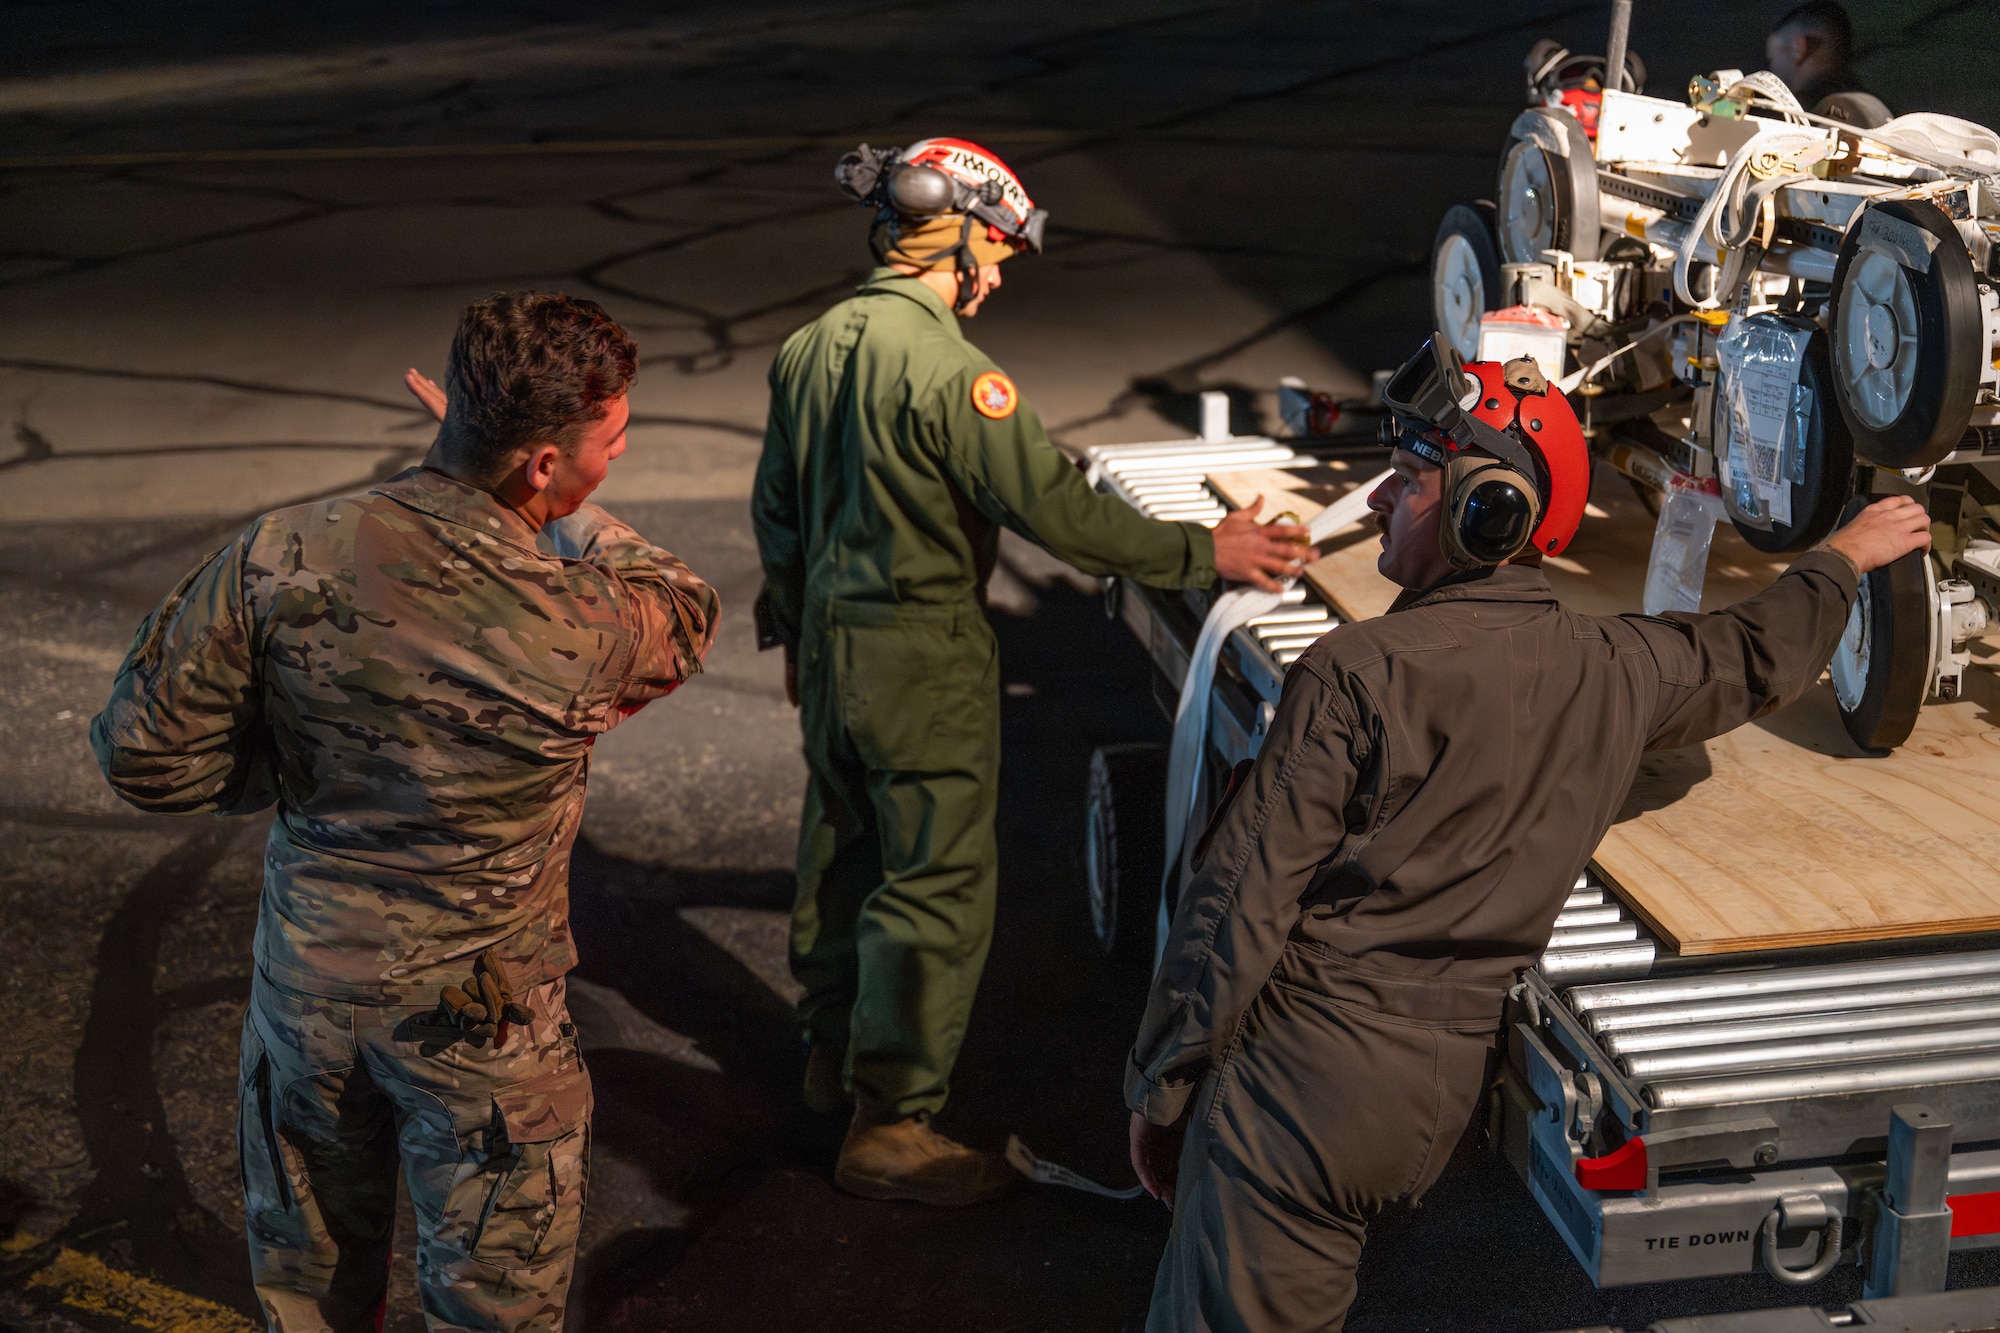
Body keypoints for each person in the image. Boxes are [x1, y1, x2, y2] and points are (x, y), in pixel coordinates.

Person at [1123, 337, 1933, 1332]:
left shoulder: (1352, 675)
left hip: (1301, 1087)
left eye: (1408, 478)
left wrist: (1160, 1086)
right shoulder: (1616, 667)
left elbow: (1236, 908)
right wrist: (1842, 557)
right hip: (1430, 1100)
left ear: (1489, 508)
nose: (1376, 499)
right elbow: (1751, 654)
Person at [92, 292, 720, 1332]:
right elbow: (685, 605)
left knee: (309, 1294)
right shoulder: (581, 618)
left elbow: (143, 755)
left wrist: (296, 769)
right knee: (492, 1304)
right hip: (482, 1023)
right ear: (542, 465)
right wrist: (572, 517)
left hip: (309, 997)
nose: (616, 457)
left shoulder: (280, 552)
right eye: (607, 444)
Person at [753, 137, 1314, 1207]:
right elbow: (1057, 513)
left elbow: (776, 507)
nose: (999, 277)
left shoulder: (809, 347)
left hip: (829, 644)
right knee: (933, 885)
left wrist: (790, 630)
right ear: (954, 236)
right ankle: (889, 1125)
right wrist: (1205, 551)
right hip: (920, 655)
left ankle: (831, 1062)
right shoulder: (955, 376)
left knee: (841, 849)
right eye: (997, 251)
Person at [1766, 1, 1891, 127]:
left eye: (1773, 56)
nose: (1771, 68)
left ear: (1798, 48)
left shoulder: (1789, 116)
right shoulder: (1879, 110)